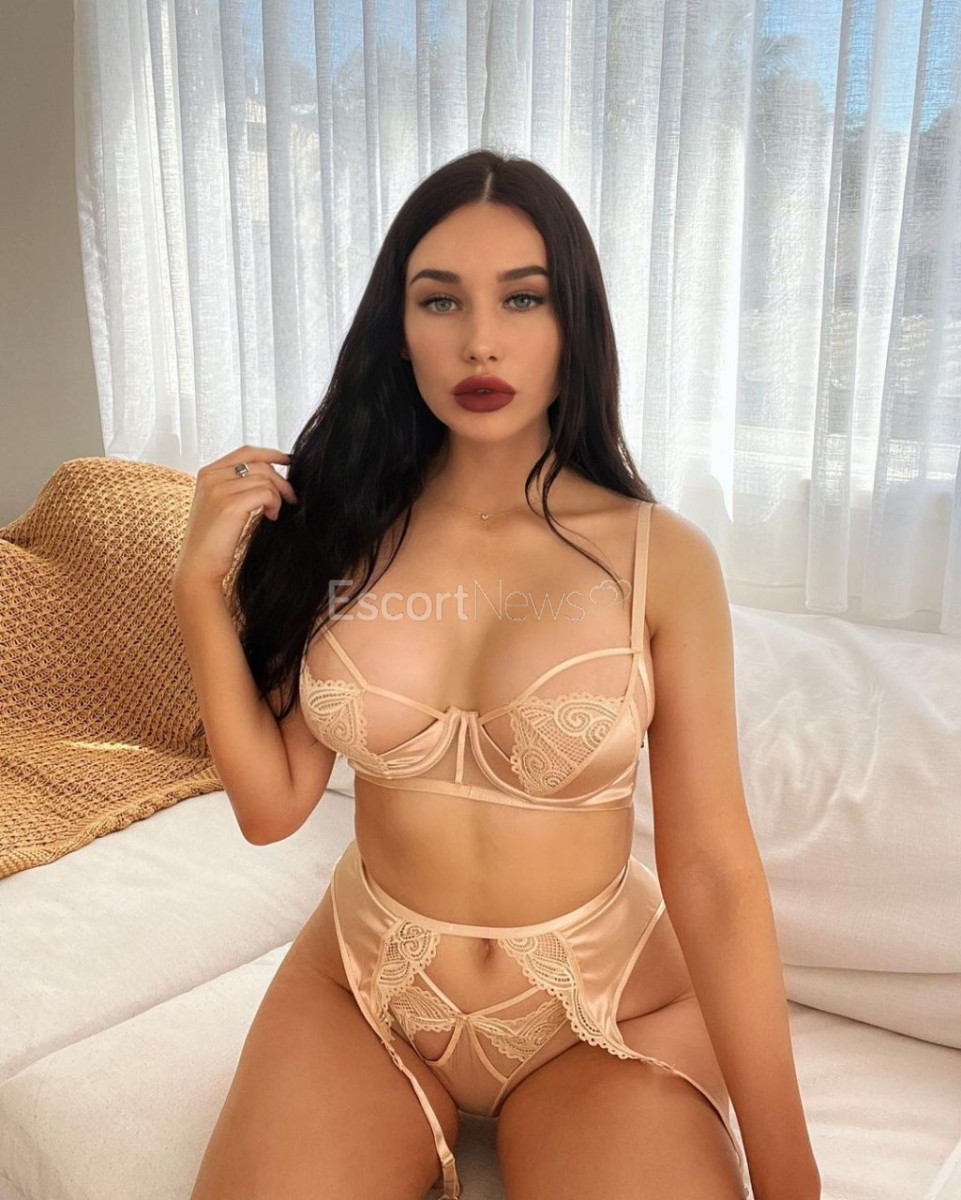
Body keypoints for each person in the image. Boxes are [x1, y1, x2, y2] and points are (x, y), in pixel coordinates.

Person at [173, 149, 819, 1200]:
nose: (480, 340)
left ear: (574, 324)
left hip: (603, 1015)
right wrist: (199, 591)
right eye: (441, 300)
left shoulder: (661, 560)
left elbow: (711, 871)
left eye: (523, 298)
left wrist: (792, 1175)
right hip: (363, 989)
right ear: (398, 327)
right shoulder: (340, 529)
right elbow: (271, 806)